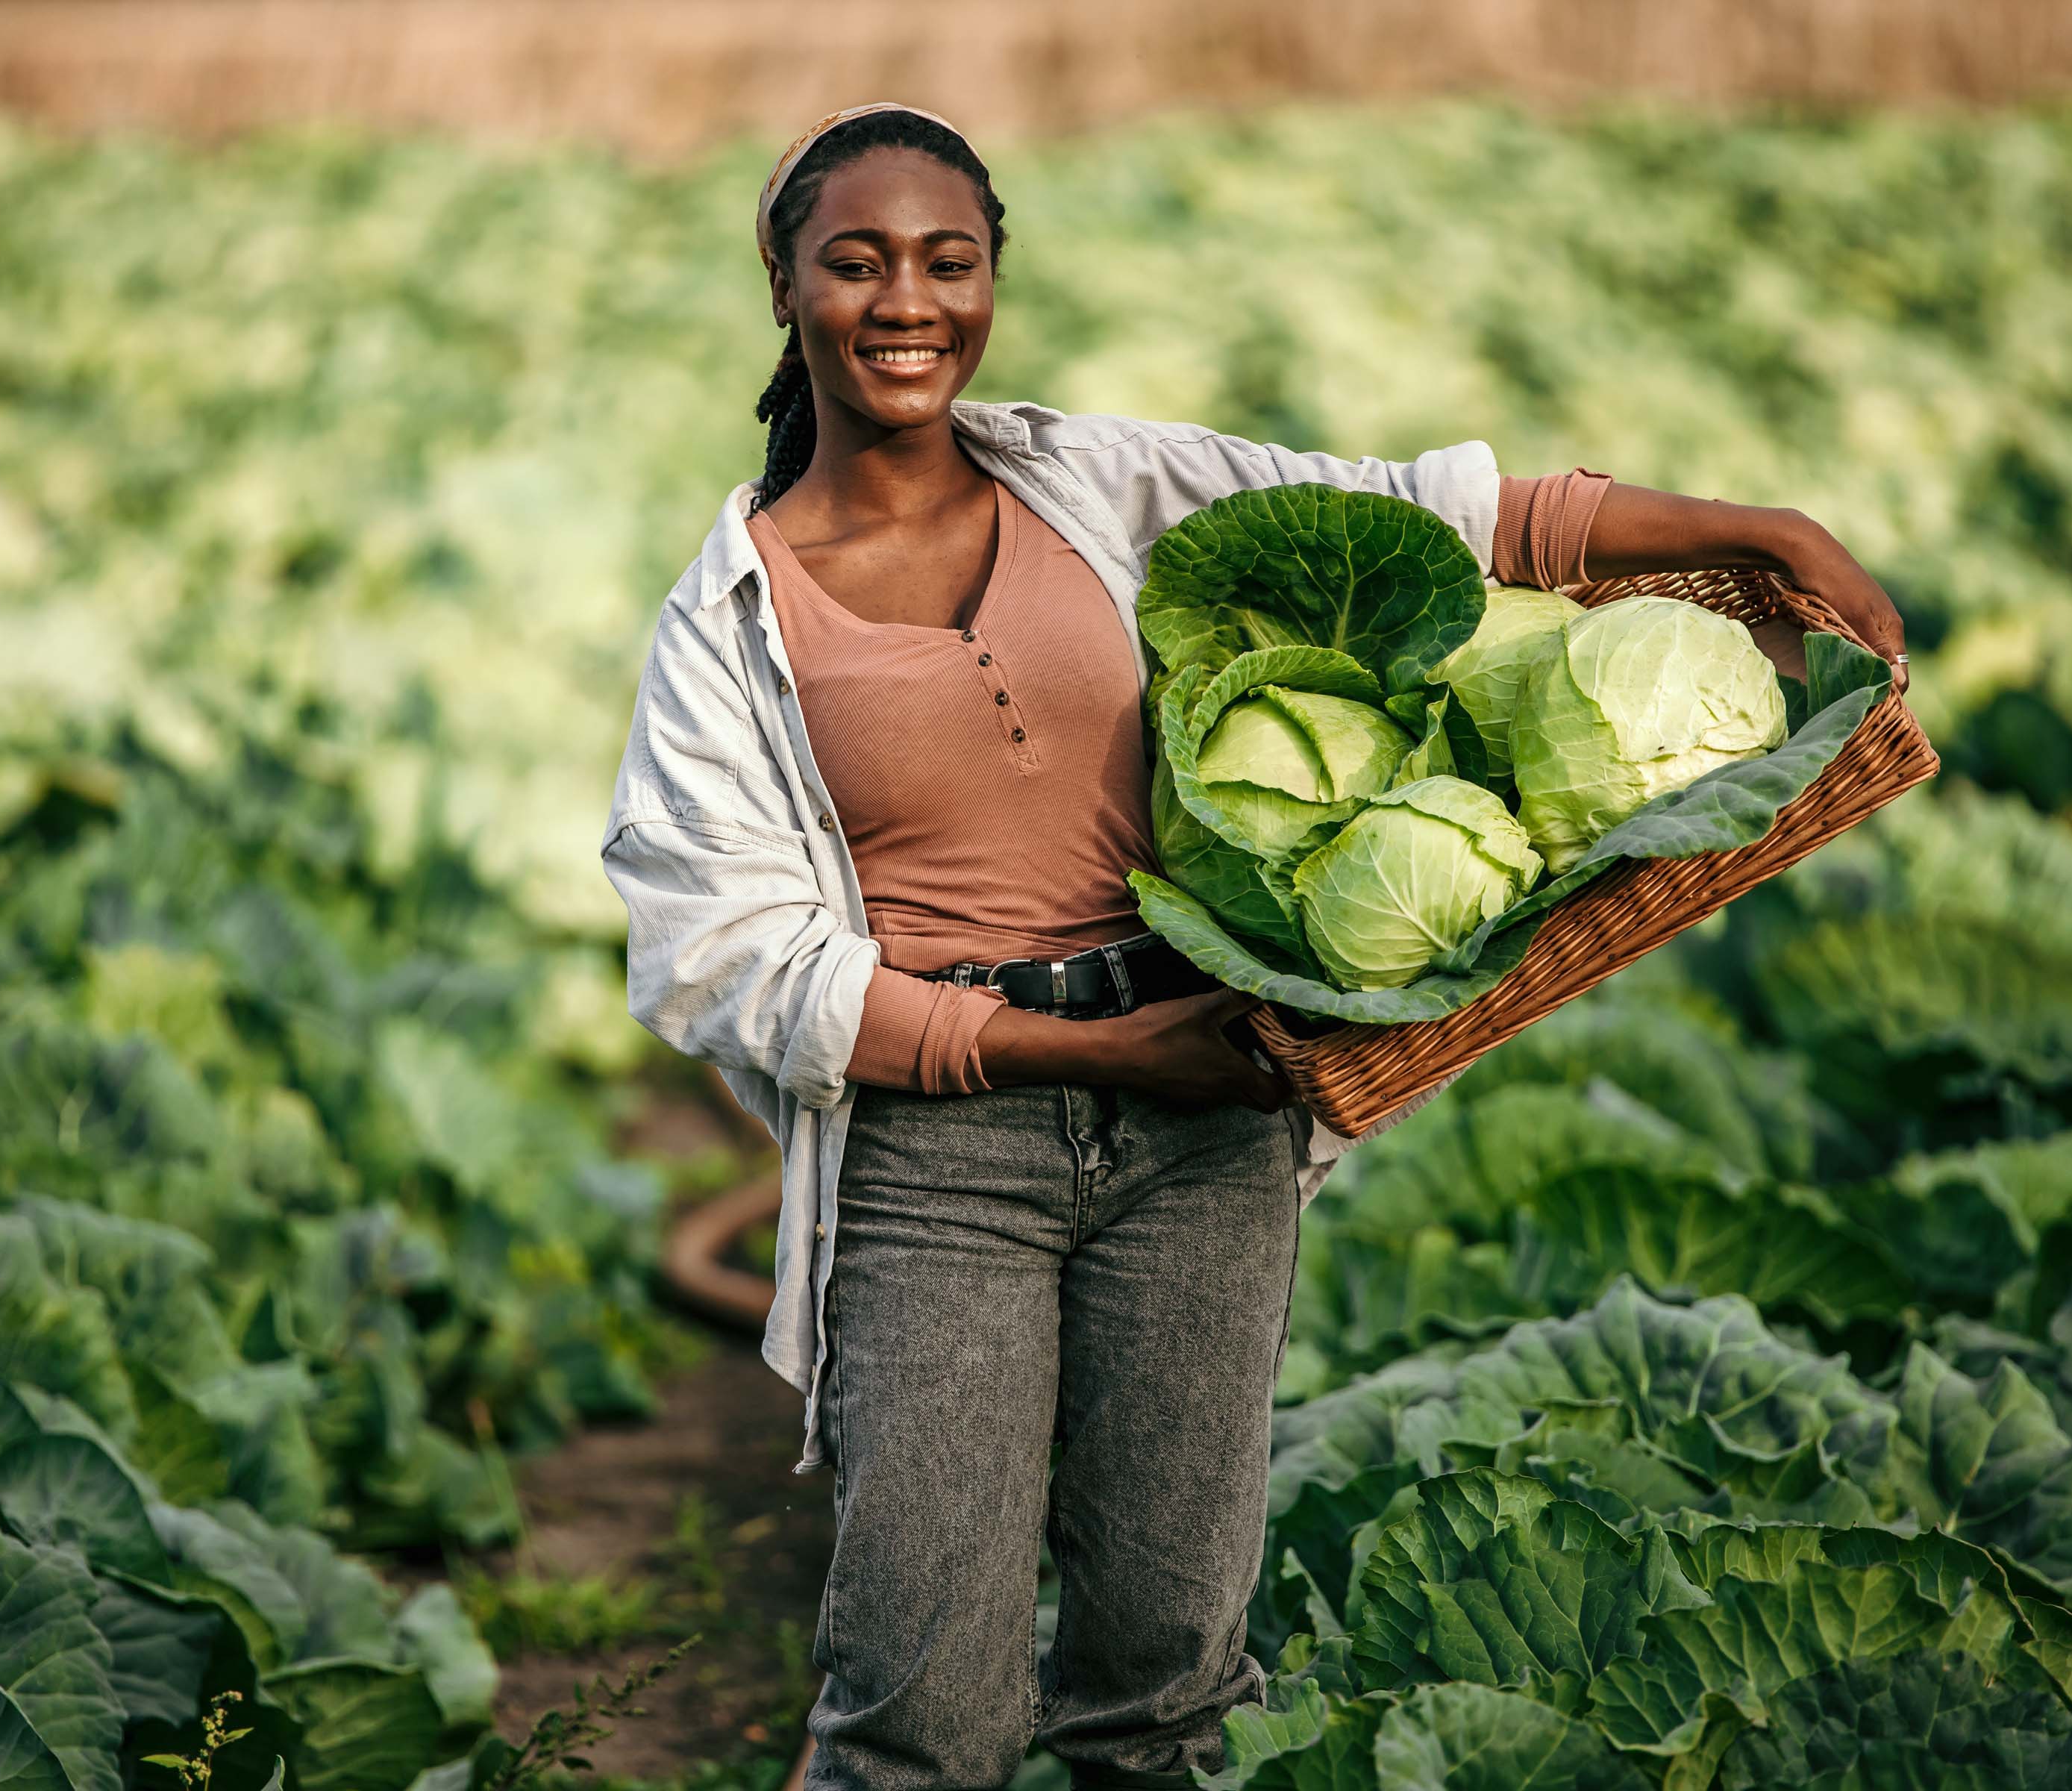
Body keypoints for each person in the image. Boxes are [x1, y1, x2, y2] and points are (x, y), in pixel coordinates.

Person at [601, 102, 1907, 1790]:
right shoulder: (732, 619)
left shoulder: (1107, 480)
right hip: (941, 1163)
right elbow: (728, 959)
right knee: (925, 1715)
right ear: (784, 286)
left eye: (949, 260)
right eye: (855, 263)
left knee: (1165, 1688)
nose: (905, 303)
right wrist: (1080, 1053)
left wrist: (1764, 535)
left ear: (993, 278)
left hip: (1211, 1121)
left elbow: (1435, 519)